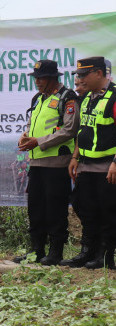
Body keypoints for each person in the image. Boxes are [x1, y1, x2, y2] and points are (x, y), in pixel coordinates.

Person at [12, 60, 78, 266]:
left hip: (57, 164)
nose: (37, 82)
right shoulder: (39, 99)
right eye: (36, 78)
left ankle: (55, 252)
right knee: (36, 208)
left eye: (40, 78)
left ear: (52, 78)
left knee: (55, 209)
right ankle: (36, 251)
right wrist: (26, 136)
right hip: (37, 163)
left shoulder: (67, 98)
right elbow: (33, 125)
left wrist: (38, 142)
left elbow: (70, 129)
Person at [62, 56, 116, 269]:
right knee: (85, 208)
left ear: (99, 74)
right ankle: (87, 252)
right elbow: (83, 130)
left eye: (85, 75)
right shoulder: (86, 98)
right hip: (85, 165)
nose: (80, 79)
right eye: (79, 75)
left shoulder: (114, 97)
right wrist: (75, 157)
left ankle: (105, 256)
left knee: (107, 210)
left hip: (106, 166)